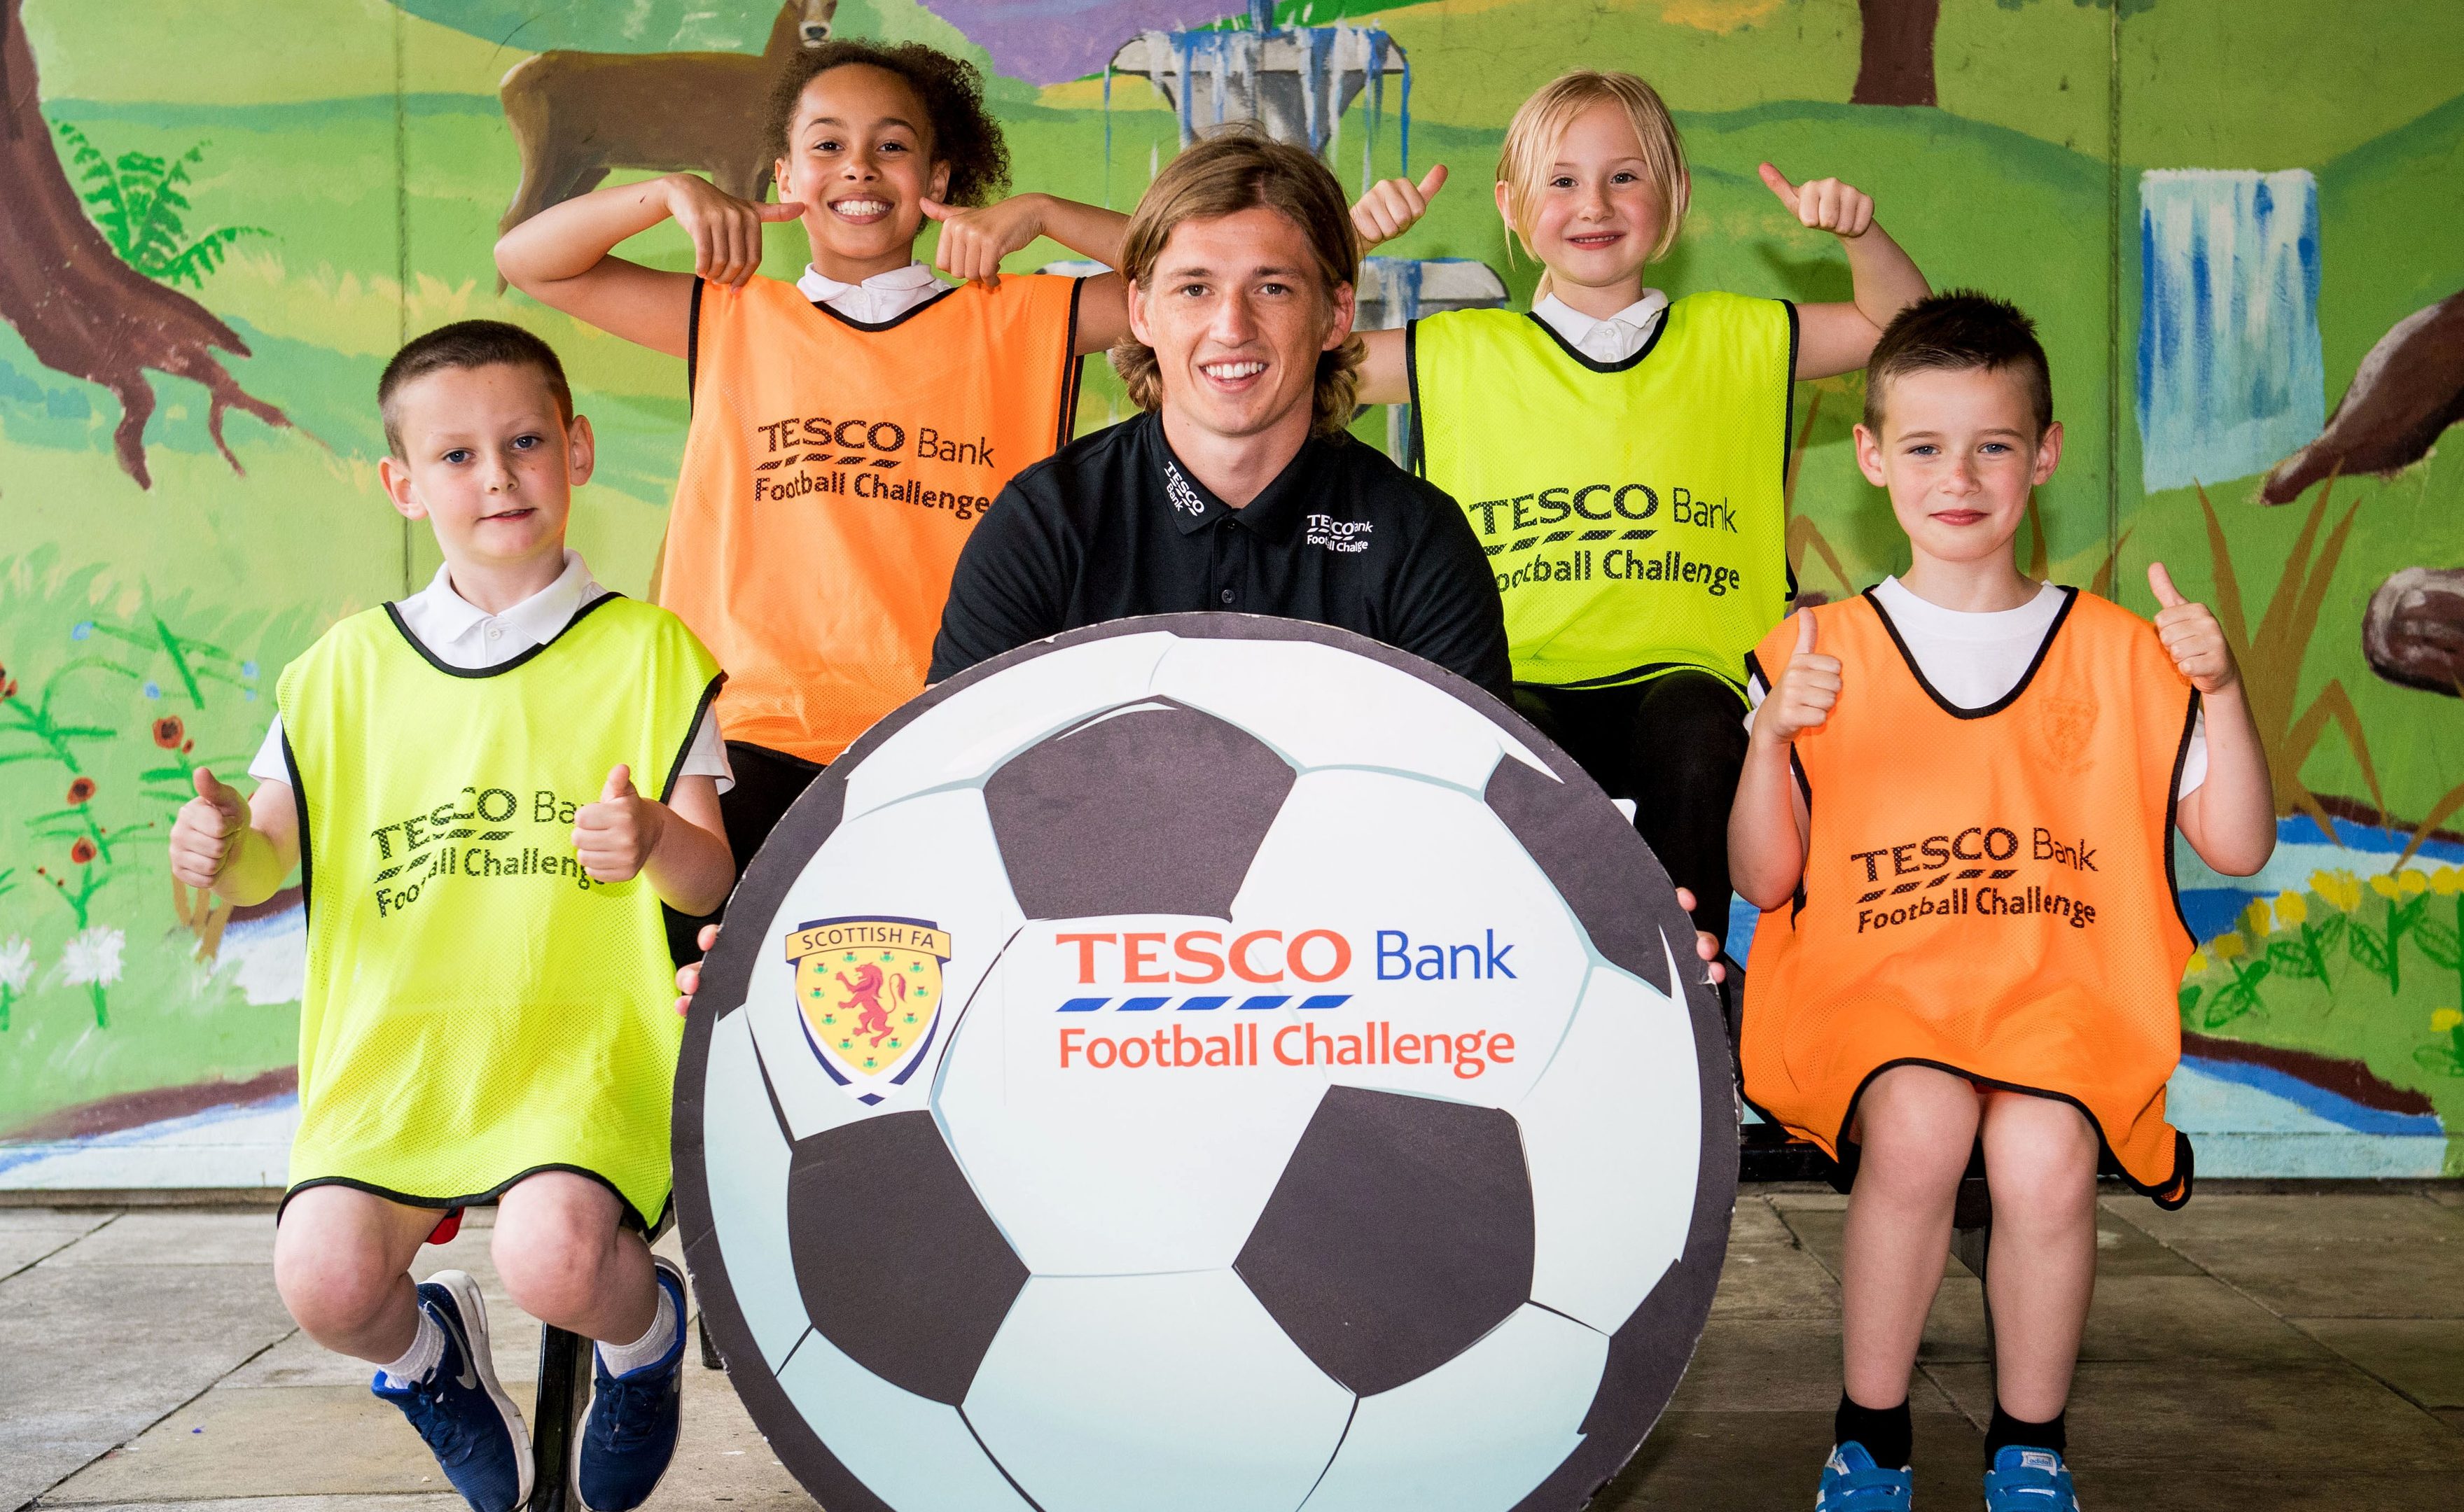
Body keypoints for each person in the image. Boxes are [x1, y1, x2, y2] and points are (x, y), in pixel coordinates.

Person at [168, 322, 735, 1512]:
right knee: (323, 1282)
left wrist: (651, 842)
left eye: (525, 442)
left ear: (575, 449)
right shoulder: (337, 672)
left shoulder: (647, 652)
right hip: (398, 1054)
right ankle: (429, 1362)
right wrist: (220, 857)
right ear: (402, 482)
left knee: (557, 1259)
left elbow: (708, 881)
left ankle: (642, 1344)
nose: (497, 477)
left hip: (576, 1058)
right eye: (458, 456)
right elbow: (270, 859)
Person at [1727, 293, 2275, 1512]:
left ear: (2043, 454)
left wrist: (2222, 691)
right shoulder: (1816, 650)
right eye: (1921, 447)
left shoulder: (2129, 656)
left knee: (2042, 1150)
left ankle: (2028, 1446)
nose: (1956, 477)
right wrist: (1768, 744)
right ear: (1870, 459)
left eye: (1989, 446)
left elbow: (2235, 845)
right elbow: (1764, 877)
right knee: (1918, 1129)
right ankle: (1867, 1437)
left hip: (2053, 996)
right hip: (1881, 994)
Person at [495, 38, 1134, 899]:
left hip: (953, 739)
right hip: (744, 742)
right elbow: (527, 261)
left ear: (939, 182)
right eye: (827, 145)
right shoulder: (731, 315)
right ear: (785, 177)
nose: (859, 168)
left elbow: (1201, 272)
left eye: (893, 146)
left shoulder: (1021, 317)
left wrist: (1048, 213)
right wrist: (665, 193)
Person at [1346, 70, 1931, 943]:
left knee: (1699, 740)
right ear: (1510, 204)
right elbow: (1293, 361)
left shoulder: (1738, 337)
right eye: (1562, 180)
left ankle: (1682, 985)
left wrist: (1863, 235)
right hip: (1522, 679)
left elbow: (1908, 332)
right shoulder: (1461, 350)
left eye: (1625, 176)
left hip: (1690, 678)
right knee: (1490, 754)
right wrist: (1344, 244)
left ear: (1675, 196)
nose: (1595, 204)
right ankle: (1531, 988)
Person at [926, 128, 1512, 699]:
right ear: (1141, 311)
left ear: (1336, 315)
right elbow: (947, 765)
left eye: (1273, 288)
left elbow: (1475, 790)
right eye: (1195, 289)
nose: (1232, 328)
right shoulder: (1046, 519)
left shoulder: (1414, 537)